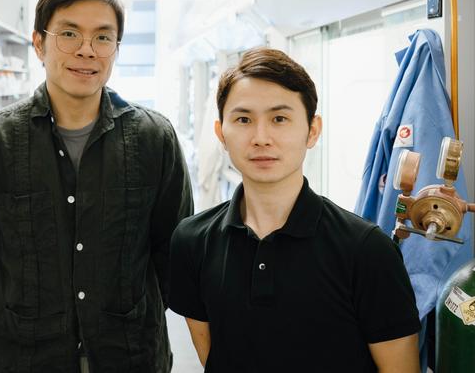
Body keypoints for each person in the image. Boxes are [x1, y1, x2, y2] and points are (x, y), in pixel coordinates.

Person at [0, 0, 193, 373]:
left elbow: (173, 251)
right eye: (69, 34)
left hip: (128, 356)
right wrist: (15, 316)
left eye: (103, 38)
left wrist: (128, 316)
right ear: (39, 44)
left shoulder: (153, 139)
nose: (86, 50)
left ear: (116, 50)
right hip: (19, 358)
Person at [169, 47, 420, 372]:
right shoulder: (191, 241)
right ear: (221, 133)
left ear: (312, 131)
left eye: (279, 118)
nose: (261, 138)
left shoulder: (367, 251)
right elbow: (214, 356)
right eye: (243, 119)